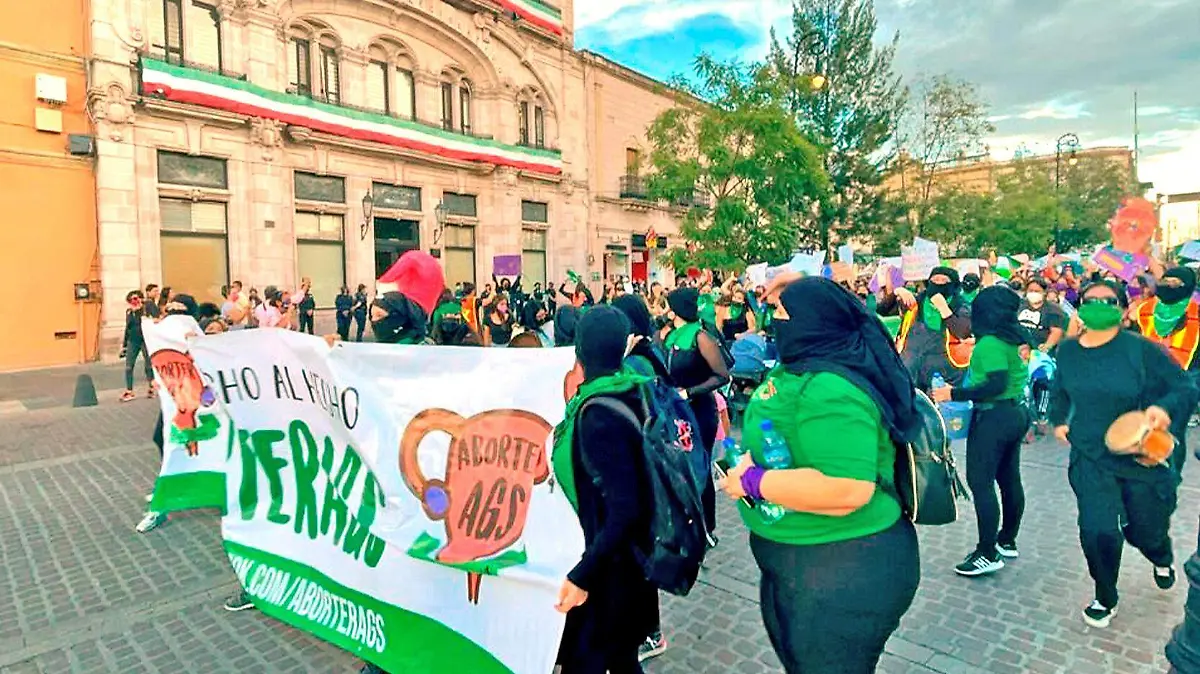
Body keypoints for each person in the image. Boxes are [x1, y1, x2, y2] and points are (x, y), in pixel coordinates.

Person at [718, 276, 920, 674]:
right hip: (800, 566)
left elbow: (848, 488)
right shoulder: (805, 363)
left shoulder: (830, 385)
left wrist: (753, 482)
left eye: (780, 312)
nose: (773, 318)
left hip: (843, 568)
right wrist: (794, 284)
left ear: (811, 322)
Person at [1049, 280, 1189, 629]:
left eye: (1108, 300)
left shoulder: (1140, 350)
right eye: (1089, 300)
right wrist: (1058, 420)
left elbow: (1184, 386)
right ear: (1079, 306)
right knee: (1097, 530)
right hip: (1090, 455)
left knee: (1145, 529)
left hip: (1140, 456)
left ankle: (1160, 554)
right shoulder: (1066, 352)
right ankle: (1105, 594)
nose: (1097, 305)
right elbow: (1060, 390)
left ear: (1124, 308)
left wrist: (1164, 408)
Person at [550, 306, 657, 674]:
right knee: (621, 660)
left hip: (608, 569)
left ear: (579, 351)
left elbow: (624, 507)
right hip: (628, 559)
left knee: (592, 660)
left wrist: (583, 575)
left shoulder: (598, 413)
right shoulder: (631, 388)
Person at [933, 287, 1030, 576]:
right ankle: (1006, 540)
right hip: (1016, 413)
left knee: (981, 483)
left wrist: (955, 394)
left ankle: (987, 552)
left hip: (994, 416)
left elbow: (995, 384)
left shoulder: (990, 344)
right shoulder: (1013, 337)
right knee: (1009, 478)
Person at [664, 287, 730, 545]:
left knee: (699, 467)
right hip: (675, 413)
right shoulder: (668, 336)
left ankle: (706, 528)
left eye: (669, 305)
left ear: (677, 309)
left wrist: (689, 392)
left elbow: (722, 375)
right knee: (678, 466)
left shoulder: (701, 337)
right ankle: (682, 523)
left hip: (700, 411)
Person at [1133, 266, 1200, 476]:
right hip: (1148, 379)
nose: (1168, 286)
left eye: (1175, 283)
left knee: (1173, 429)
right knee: (1145, 427)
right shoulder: (1144, 310)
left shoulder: (1197, 312)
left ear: (1188, 287)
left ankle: (1170, 475)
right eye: (1166, 280)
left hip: (1184, 380)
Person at [896, 266, 974, 390]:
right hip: (912, 369)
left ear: (953, 285)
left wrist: (944, 309)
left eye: (944, 281)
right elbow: (883, 308)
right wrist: (899, 291)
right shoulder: (917, 301)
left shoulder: (961, 306)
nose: (938, 283)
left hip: (946, 373)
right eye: (935, 280)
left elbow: (963, 332)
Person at [120, 290, 156, 402]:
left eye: (136, 298)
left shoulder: (146, 308)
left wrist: (141, 309)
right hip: (133, 340)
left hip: (145, 339)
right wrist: (124, 345)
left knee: (148, 365)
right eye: (131, 300)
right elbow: (128, 328)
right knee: (128, 366)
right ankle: (129, 390)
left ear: (141, 298)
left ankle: (152, 387)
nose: (134, 301)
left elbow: (154, 318)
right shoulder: (129, 312)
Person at [1018, 278, 1066, 354]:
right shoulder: (1019, 305)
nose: (1033, 293)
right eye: (1030, 291)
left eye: (1037, 291)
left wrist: (1046, 347)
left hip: (1039, 351)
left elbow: (1056, 332)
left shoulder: (1053, 309)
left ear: (1044, 292)